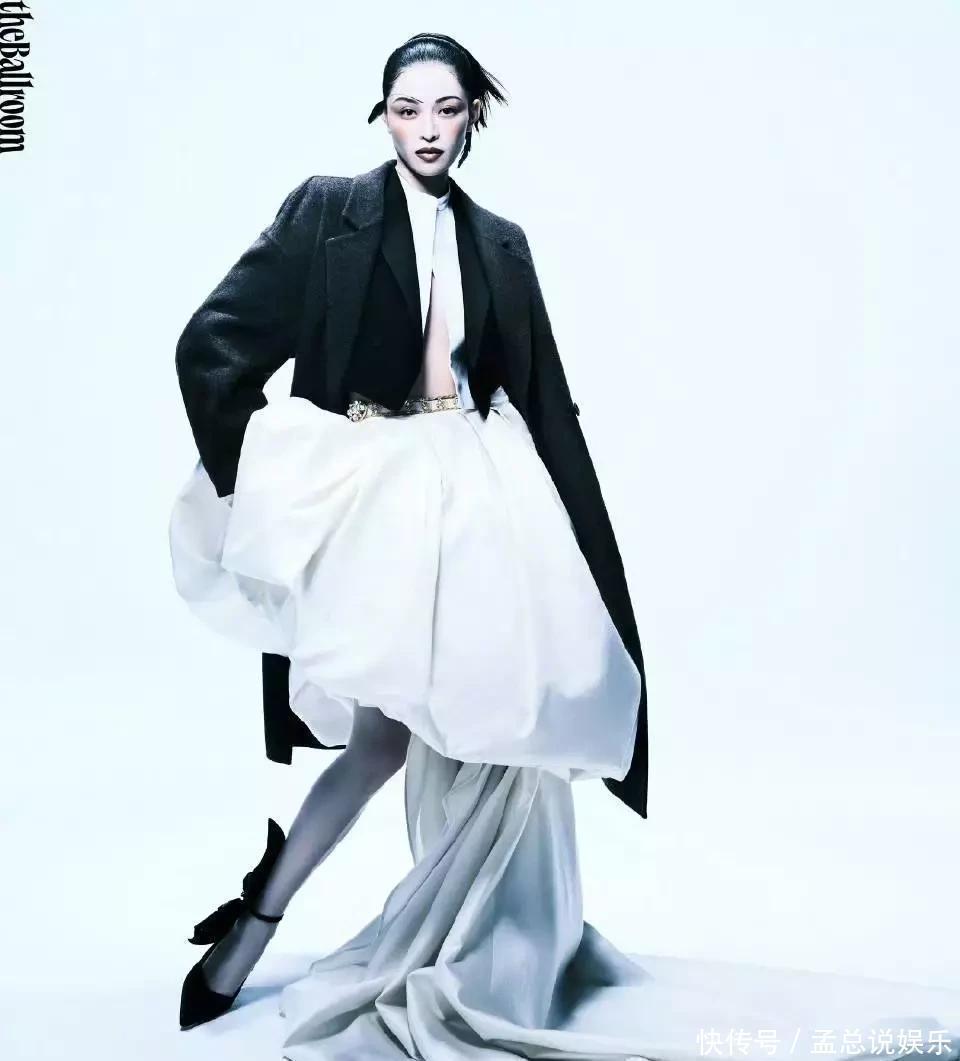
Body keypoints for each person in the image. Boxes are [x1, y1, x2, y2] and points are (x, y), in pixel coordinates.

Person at [168, 31, 937, 1061]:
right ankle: (261, 915)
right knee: (383, 739)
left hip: (480, 501)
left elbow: (541, 399)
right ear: (382, 113)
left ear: (473, 118)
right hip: (373, 502)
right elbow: (213, 341)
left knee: (499, 724)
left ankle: (468, 940)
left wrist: (587, 551)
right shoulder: (328, 210)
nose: (427, 130)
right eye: (407, 108)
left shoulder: (502, 244)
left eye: (447, 109)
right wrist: (265, 481)